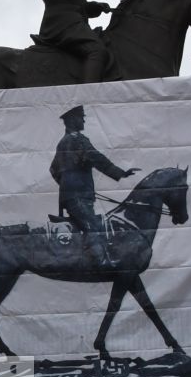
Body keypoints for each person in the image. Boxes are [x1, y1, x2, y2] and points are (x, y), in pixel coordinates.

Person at [51, 104, 139, 272]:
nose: (83, 119)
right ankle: (100, 262)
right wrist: (121, 173)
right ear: (72, 120)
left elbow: (53, 169)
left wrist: (66, 186)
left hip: (72, 196)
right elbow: (97, 158)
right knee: (93, 226)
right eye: (81, 117)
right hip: (79, 197)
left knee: (88, 224)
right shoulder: (78, 140)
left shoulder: (62, 142)